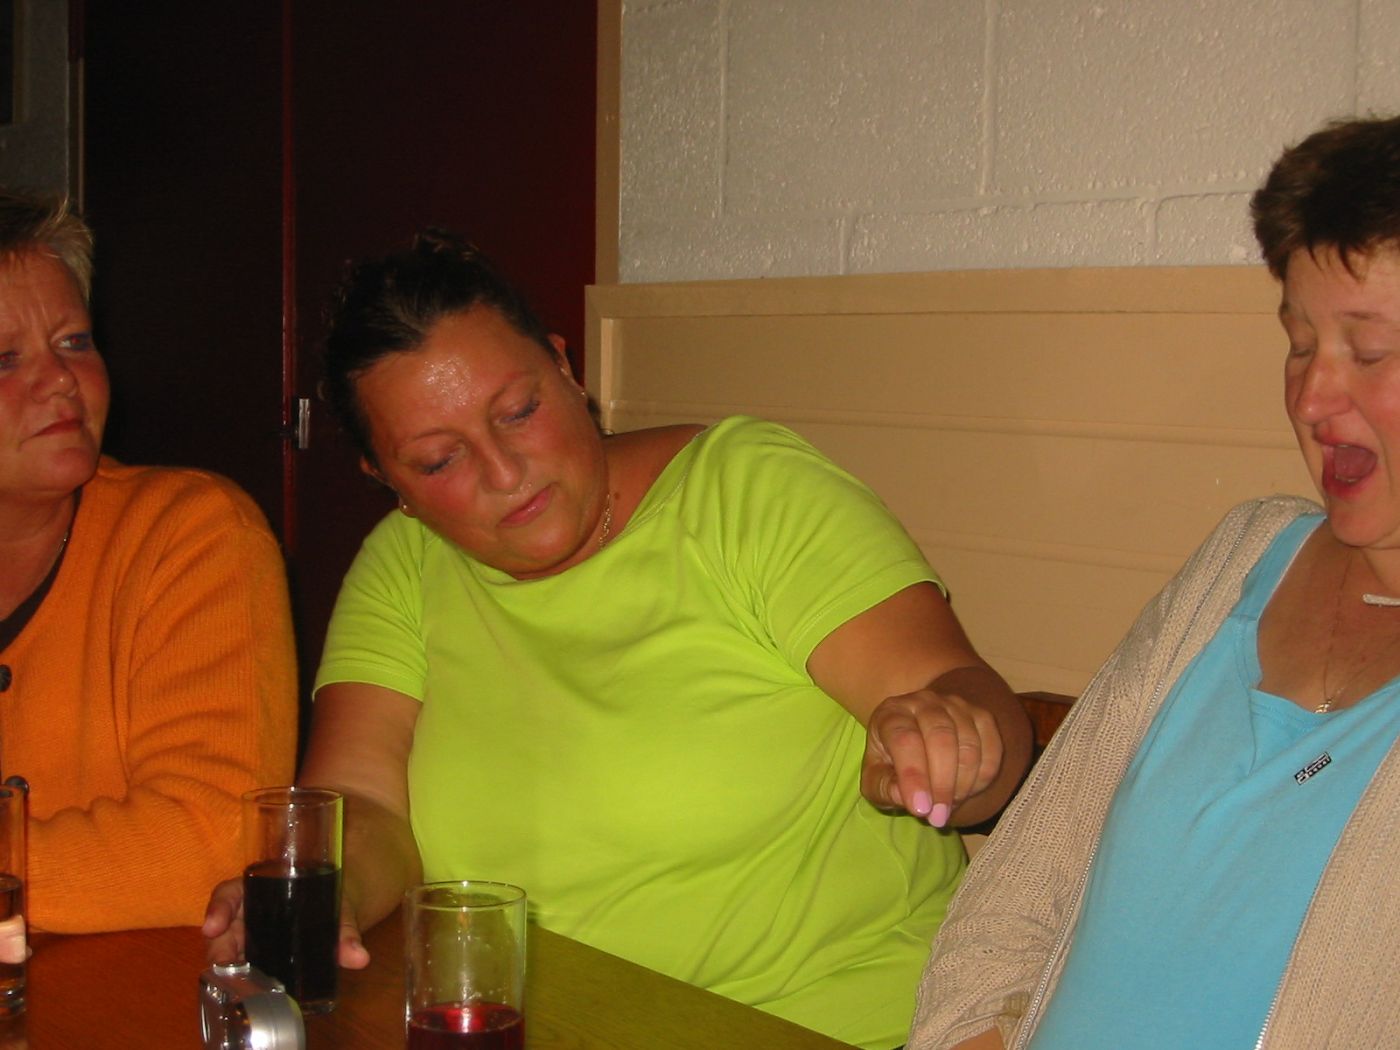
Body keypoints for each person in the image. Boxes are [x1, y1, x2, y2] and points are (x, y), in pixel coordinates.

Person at [202, 230, 1032, 1049]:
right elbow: (366, 804)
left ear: (566, 368)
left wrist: (950, 746)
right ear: (387, 481)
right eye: (439, 460)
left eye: (519, 411)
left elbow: (965, 711)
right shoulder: (402, 566)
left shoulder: (747, 494)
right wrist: (329, 891)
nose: (505, 473)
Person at [906, 114, 1400, 1050]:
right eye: (1299, 342)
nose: (1309, 397)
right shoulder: (1242, 555)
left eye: (1367, 352)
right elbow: (1018, 888)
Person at [0, 189, 298, 933]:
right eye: (4, 358)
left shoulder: (189, 534)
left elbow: (213, 839)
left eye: (75, 342)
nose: (60, 380)